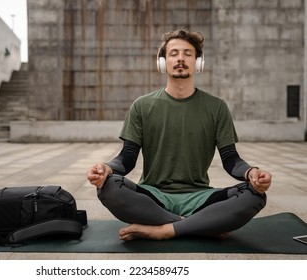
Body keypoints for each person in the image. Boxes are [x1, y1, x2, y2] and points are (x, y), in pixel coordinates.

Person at [87, 29, 272, 241]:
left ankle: (163, 229)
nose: (181, 58)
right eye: (174, 53)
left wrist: (251, 173)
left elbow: (231, 159)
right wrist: (106, 168)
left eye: (188, 53)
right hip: (152, 195)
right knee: (108, 186)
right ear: (162, 62)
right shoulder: (142, 106)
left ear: (198, 62)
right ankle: (201, 224)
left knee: (254, 196)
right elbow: (127, 157)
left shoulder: (216, 107)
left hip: (201, 197)